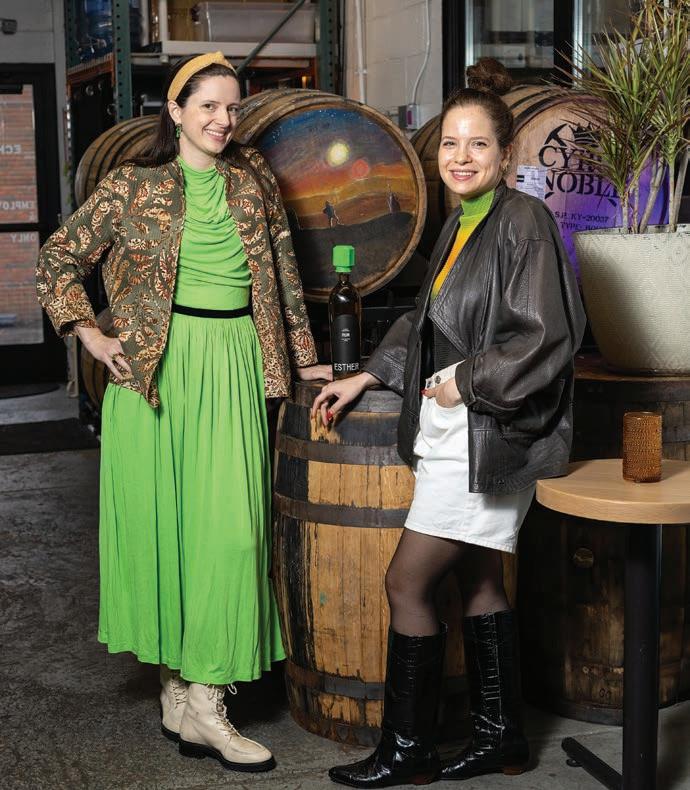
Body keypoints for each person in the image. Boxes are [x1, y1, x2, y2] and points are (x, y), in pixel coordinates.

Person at [36, 52, 330, 774]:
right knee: (165, 533)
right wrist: (90, 335)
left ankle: (206, 696)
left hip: (233, 364)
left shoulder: (253, 182)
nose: (223, 120)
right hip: (154, 377)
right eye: (209, 106)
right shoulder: (132, 187)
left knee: (229, 536)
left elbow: (286, 278)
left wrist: (304, 360)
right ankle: (181, 693)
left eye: (233, 107)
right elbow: (57, 258)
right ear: (175, 110)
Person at [312, 58, 586, 787]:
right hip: (459, 429)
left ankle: (408, 751)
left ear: (505, 154)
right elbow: (427, 317)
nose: (461, 158)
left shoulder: (522, 222)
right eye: (451, 144)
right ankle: (502, 738)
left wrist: (463, 380)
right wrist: (369, 373)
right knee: (480, 579)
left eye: (478, 145)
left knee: (406, 584)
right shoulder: (463, 222)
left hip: (487, 432)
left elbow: (547, 338)